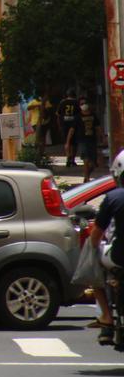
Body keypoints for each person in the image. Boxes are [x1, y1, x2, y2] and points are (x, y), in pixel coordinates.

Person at [88, 151, 124, 345]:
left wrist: (92, 250)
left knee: (94, 268)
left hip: (118, 256)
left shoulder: (113, 197)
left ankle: (107, 318)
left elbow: (97, 233)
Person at [78, 97, 102, 182]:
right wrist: (68, 141)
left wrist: (102, 137)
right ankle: (86, 178)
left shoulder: (93, 115)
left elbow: (98, 127)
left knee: (93, 164)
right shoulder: (78, 116)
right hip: (82, 140)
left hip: (92, 140)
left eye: (84, 103)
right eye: (81, 104)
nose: (83, 105)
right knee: (86, 160)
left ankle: (87, 174)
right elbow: (72, 129)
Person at [58, 89, 80, 167]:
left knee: (66, 142)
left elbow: (58, 114)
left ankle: (68, 158)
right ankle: (73, 159)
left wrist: (60, 124)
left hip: (64, 124)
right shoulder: (76, 103)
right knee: (74, 143)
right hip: (74, 124)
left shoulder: (62, 102)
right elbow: (79, 114)